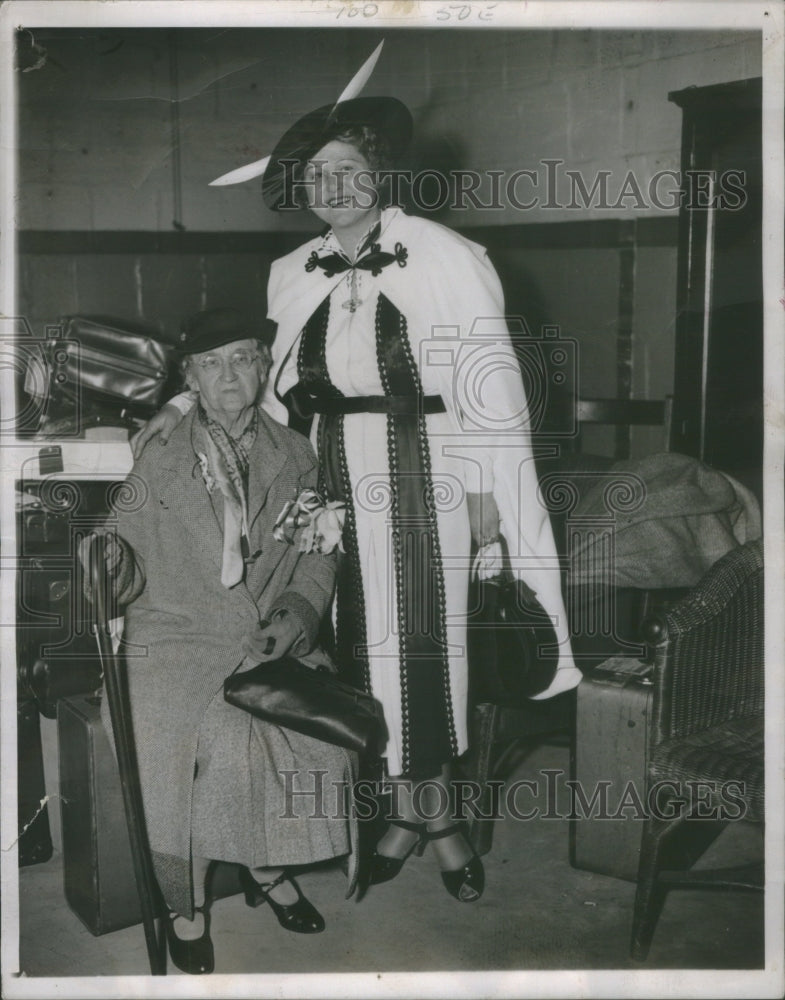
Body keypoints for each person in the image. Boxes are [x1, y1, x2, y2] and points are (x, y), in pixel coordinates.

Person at [131, 96, 582, 904]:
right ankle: (394, 814)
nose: (333, 186)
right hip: (327, 473)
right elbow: (254, 386)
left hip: (428, 472)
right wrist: (174, 404)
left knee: (421, 645)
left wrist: (485, 491)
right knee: (343, 651)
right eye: (317, 175)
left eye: (348, 170)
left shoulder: (443, 253)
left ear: (380, 175)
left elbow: (490, 380)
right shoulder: (290, 272)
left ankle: (432, 814)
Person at [85, 309, 354, 975]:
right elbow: (124, 548)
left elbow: (321, 552)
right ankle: (185, 902)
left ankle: (265, 865)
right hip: (170, 633)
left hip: (262, 634)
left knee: (280, 737)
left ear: (264, 367)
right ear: (190, 379)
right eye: (212, 364)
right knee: (173, 748)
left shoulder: (297, 453)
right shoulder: (161, 451)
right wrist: (108, 561)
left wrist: (296, 612)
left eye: (242, 358)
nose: (229, 374)